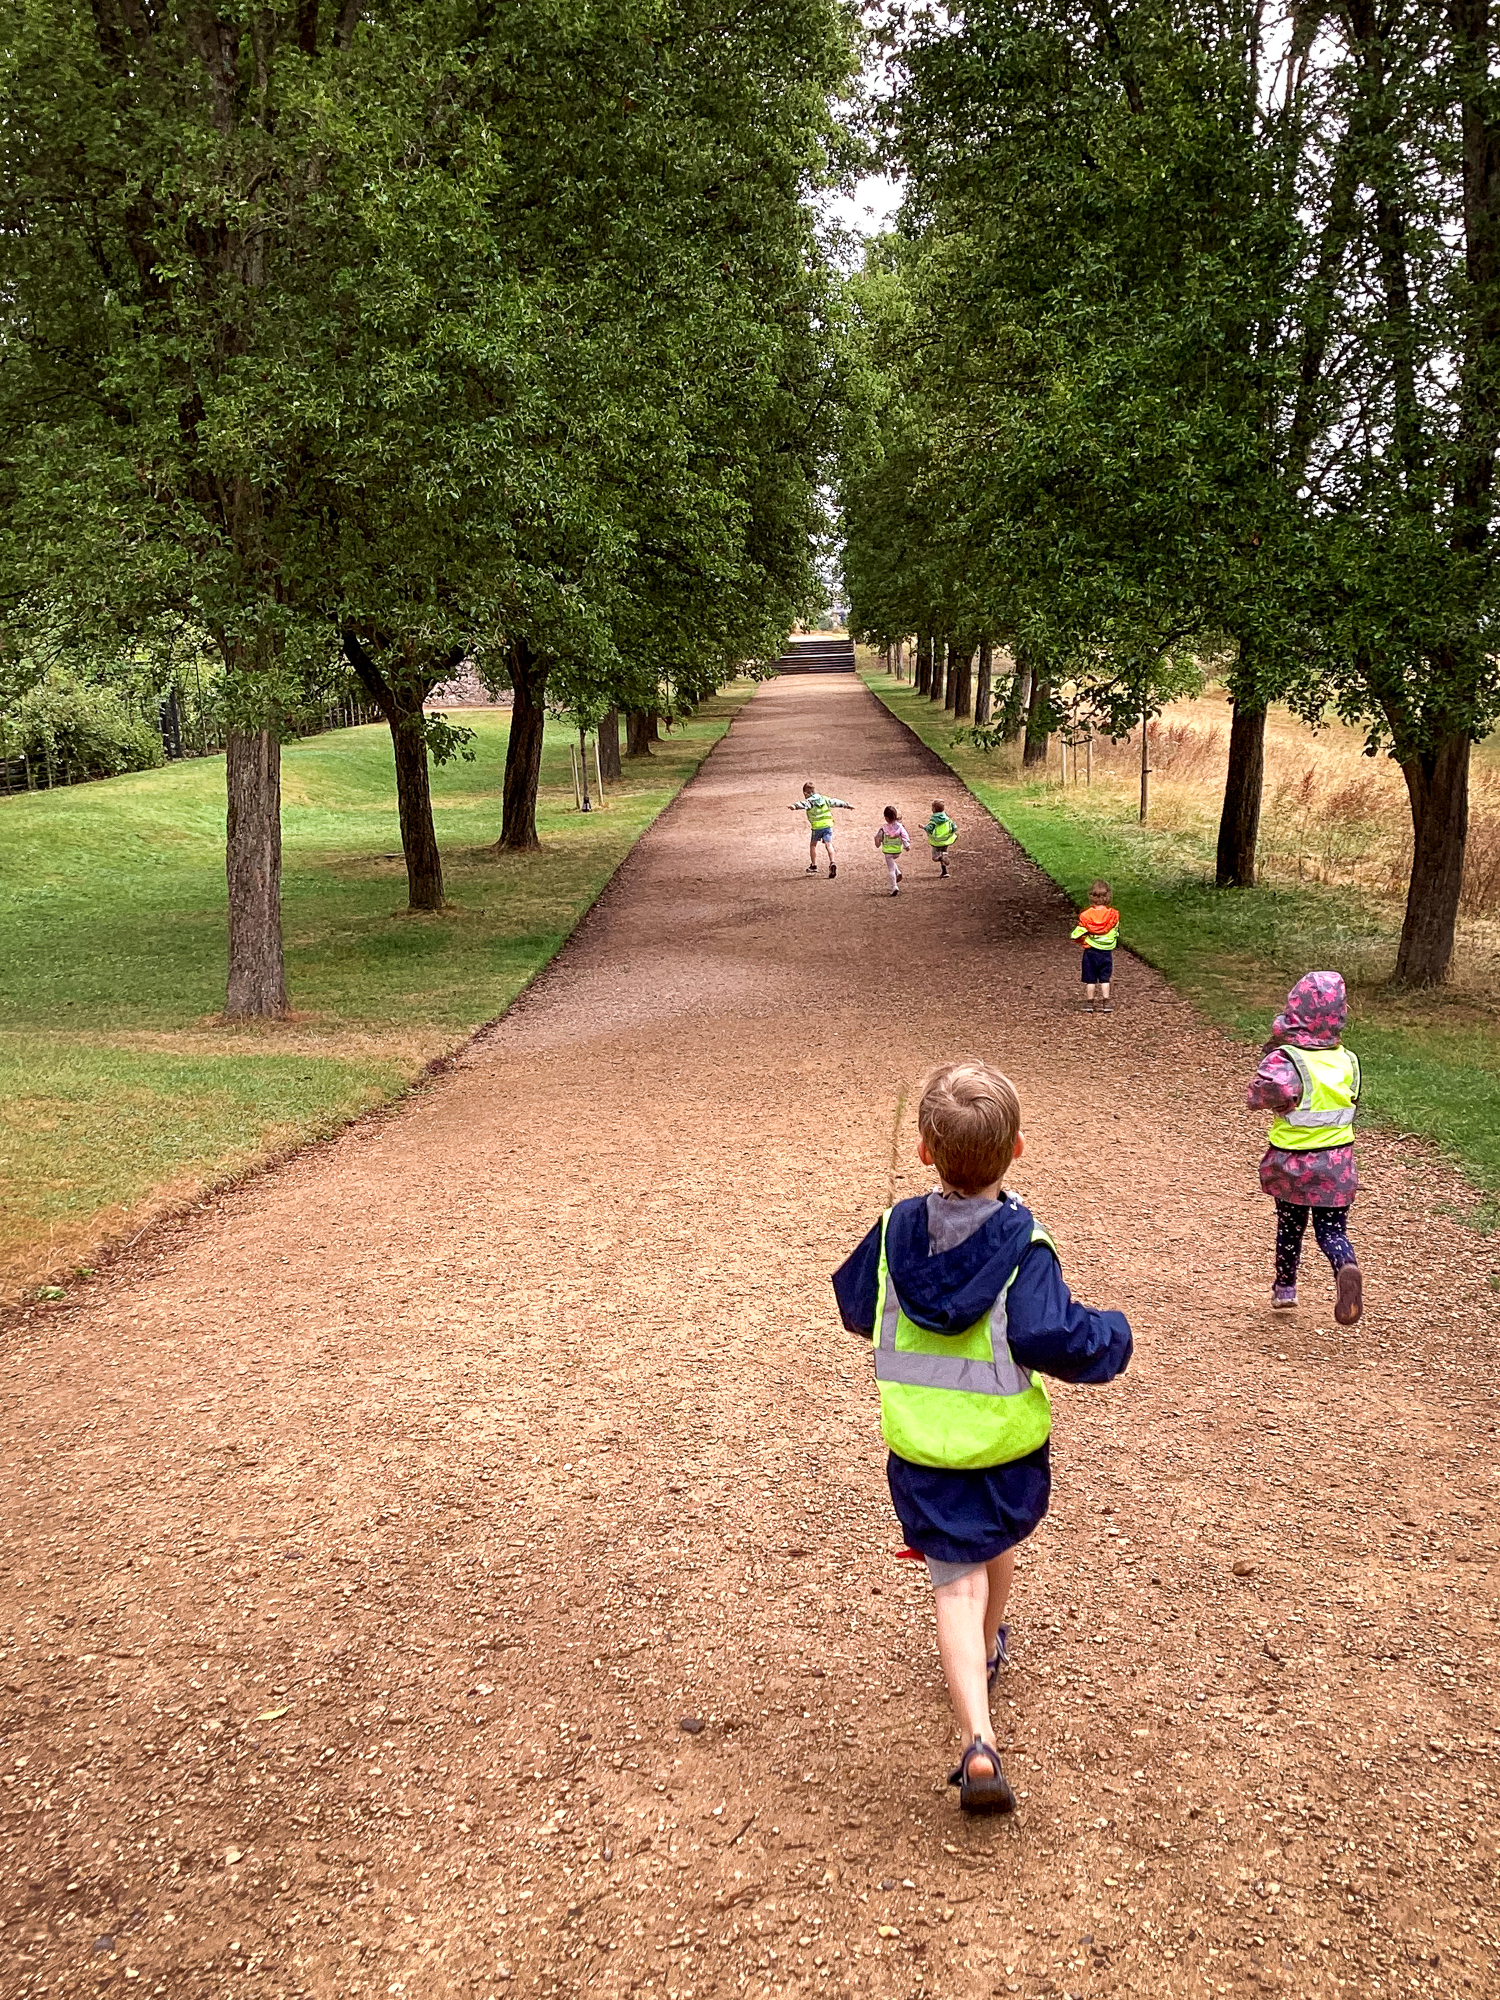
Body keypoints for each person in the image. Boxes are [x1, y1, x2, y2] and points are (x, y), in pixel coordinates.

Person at [832, 1061, 1132, 1815]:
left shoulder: (897, 1230)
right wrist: (1113, 1335)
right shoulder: (1024, 1245)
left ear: (927, 1151)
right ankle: (982, 1698)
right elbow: (1048, 1333)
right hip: (1003, 1448)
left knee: (955, 1579)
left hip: (926, 1448)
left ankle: (981, 1703)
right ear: (1018, 1150)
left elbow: (851, 1303)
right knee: (989, 1553)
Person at [1247, 971, 1364, 1324]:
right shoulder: (1347, 1059)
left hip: (1293, 1164)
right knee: (1332, 1230)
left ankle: (1285, 1289)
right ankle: (1346, 1265)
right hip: (1338, 1164)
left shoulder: (1288, 1060)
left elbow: (1262, 1094)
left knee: (1290, 1225)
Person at [1071, 880, 1120, 1011]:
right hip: (1106, 951)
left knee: (1090, 979)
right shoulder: (1113, 915)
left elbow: (1077, 933)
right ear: (1108, 896)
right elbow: (1115, 930)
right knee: (1105, 978)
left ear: (1091, 897)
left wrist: (1082, 940)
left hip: (1091, 951)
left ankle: (1089, 1002)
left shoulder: (1086, 916)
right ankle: (1106, 1002)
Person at [789, 783, 851, 878]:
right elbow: (834, 801)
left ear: (806, 793)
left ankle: (813, 865)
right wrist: (846, 805)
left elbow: (804, 804)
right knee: (829, 844)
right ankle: (832, 862)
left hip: (817, 827)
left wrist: (795, 806)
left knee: (813, 845)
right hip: (828, 825)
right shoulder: (824, 798)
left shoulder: (810, 801)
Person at [874, 805, 910, 895]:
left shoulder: (883, 828)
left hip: (888, 851)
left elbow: (878, 838)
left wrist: (877, 843)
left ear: (886, 817)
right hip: (897, 850)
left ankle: (894, 886)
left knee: (890, 869)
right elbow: (905, 836)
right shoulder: (900, 827)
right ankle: (898, 873)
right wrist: (906, 845)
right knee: (892, 862)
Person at [923, 800, 958, 877]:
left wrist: (923, 827)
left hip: (937, 841)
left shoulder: (934, 820)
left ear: (934, 810)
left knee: (935, 857)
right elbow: (954, 827)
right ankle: (944, 872)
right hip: (946, 840)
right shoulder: (947, 819)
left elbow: (929, 828)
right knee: (943, 853)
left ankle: (941, 858)